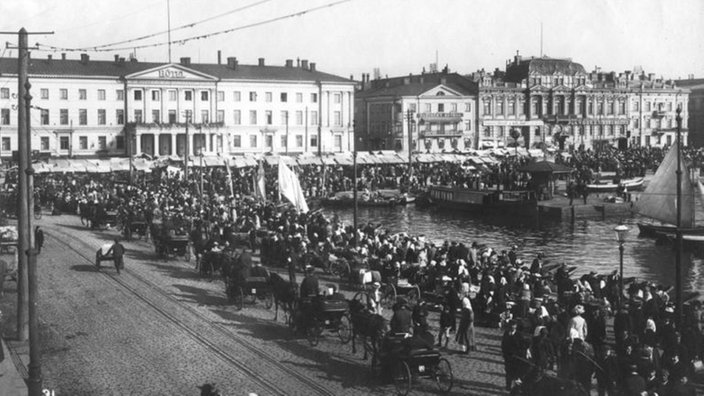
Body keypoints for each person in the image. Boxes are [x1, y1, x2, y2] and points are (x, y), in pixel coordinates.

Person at [456, 283, 475, 354]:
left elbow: (469, 311)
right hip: (466, 318)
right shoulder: (466, 298)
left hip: (467, 319)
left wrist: (470, 320)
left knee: (466, 334)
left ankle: (467, 348)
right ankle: (466, 347)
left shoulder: (465, 301)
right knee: (466, 333)